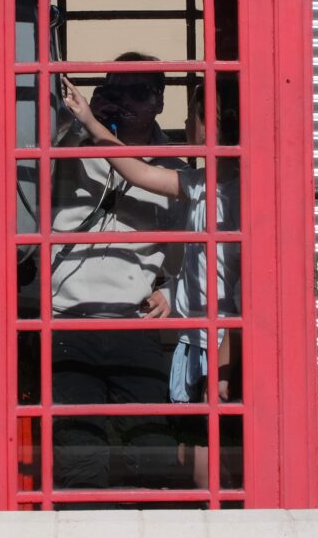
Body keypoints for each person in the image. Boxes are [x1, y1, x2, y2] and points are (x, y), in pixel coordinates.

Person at [62, 76, 242, 488]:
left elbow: (242, 295)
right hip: (191, 338)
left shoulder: (234, 192)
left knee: (212, 439)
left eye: (193, 113)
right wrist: (89, 121)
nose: (184, 120)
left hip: (222, 342)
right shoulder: (196, 184)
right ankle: (206, 507)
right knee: (196, 437)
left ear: (212, 121)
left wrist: (224, 369)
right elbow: (138, 170)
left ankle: (219, 514)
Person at [50, 53, 185, 493]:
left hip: (134, 320)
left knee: (149, 446)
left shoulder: (178, 167)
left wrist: (176, 290)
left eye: (138, 91)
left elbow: (201, 248)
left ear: (159, 101)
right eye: (115, 89)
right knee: (77, 449)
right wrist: (80, 127)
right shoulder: (69, 146)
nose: (125, 100)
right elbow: (31, 181)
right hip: (69, 318)